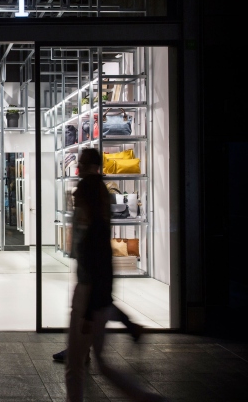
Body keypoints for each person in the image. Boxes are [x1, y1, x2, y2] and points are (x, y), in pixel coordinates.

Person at [64, 148, 164, 402]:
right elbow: (101, 269)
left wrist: (87, 313)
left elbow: (92, 264)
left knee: (75, 366)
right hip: (95, 293)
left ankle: (146, 398)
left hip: (87, 294)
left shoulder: (92, 221)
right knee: (102, 364)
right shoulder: (101, 200)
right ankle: (146, 398)